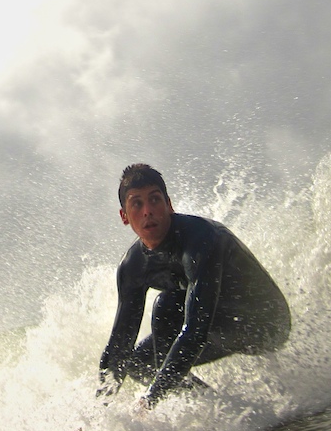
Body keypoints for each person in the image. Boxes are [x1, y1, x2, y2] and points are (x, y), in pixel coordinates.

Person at [97, 164, 291, 409]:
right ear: (125, 216)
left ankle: (194, 408)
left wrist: (150, 399)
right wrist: (99, 416)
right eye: (137, 204)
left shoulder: (201, 239)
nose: (148, 211)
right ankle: (219, 410)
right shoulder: (133, 266)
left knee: (165, 307)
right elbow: (119, 346)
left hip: (265, 323)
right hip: (219, 327)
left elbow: (196, 331)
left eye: (155, 200)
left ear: (169, 205)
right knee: (139, 363)